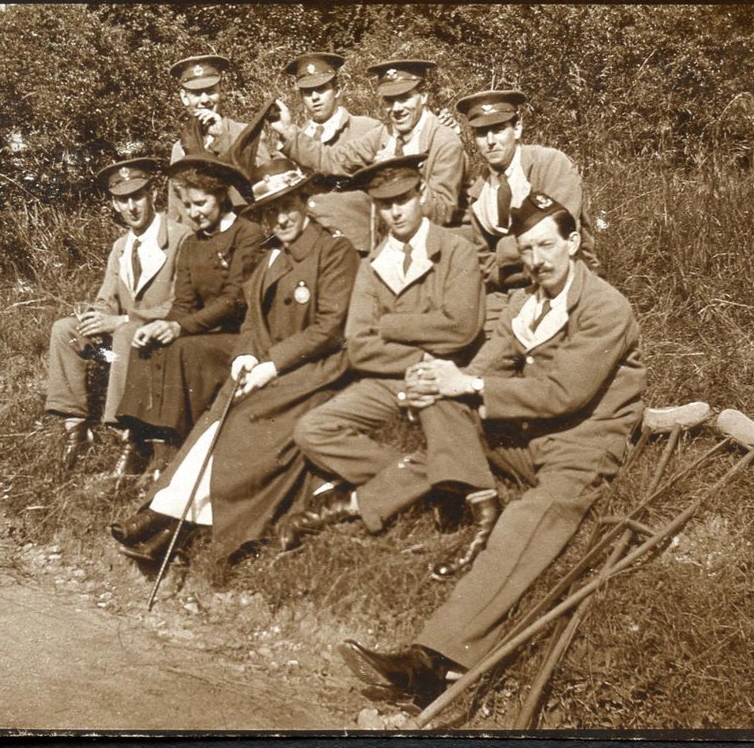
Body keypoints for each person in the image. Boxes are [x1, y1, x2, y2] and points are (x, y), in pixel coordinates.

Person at [337, 191, 645, 705]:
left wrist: (471, 386)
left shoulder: (605, 306)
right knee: (441, 398)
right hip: (527, 435)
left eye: (546, 245)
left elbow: (563, 393)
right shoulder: (526, 302)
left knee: (525, 524)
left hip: (583, 445)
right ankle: (470, 499)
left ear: (573, 242)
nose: (537, 260)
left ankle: (433, 660)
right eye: (527, 249)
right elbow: (485, 368)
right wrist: (438, 378)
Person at [108, 158, 360, 563]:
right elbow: (253, 321)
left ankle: (173, 526)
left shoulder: (333, 251)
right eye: (271, 212)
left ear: (304, 201)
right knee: (213, 426)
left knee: (241, 431)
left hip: (314, 373)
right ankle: (165, 523)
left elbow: (329, 329)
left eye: (287, 206)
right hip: (271, 369)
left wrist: (271, 364)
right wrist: (244, 354)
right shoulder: (273, 256)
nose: (281, 219)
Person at [274, 153, 499, 559]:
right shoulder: (373, 264)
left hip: (442, 375)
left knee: (437, 395)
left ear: (422, 193)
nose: (395, 212)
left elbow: (462, 328)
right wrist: (420, 349)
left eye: (403, 199)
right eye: (384, 204)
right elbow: (359, 345)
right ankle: (432, 478)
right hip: (388, 380)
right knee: (312, 430)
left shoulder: (456, 250)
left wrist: (391, 325)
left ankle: (382, 494)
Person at [112, 153, 266, 473]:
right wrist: (159, 326)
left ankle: (171, 450)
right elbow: (183, 304)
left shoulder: (246, 233)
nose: (194, 214)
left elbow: (235, 300)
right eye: (187, 206)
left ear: (220, 196)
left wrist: (180, 328)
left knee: (182, 348)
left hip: (241, 336)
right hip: (203, 332)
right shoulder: (192, 244)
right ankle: (139, 440)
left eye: (200, 204)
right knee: (147, 343)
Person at [43, 157, 191, 471]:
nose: (131, 207)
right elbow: (107, 299)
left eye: (137, 196)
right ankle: (76, 428)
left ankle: (129, 435)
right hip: (122, 349)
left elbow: (183, 302)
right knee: (65, 330)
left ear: (152, 194)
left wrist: (122, 320)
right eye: (123, 200)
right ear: (114, 204)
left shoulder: (180, 238)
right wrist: (94, 317)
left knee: (124, 332)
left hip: (162, 342)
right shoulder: (121, 247)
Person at [454, 89, 597, 329]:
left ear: (517, 128)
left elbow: (557, 234)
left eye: (499, 129)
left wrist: (503, 250)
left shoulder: (550, 164)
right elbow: (483, 259)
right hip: (510, 288)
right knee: (470, 331)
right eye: (481, 132)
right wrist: (510, 280)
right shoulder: (479, 191)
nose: (490, 141)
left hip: (564, 281)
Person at [269, 58, 466, 228]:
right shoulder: (383, 135)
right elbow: (333, 160)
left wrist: (401, 172)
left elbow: (442, 212)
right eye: (389, 100)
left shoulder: (444, 141)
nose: (397, 108)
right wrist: (289, 131)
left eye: (404, 98)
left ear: (423, 97)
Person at [281, 52, 381, 253]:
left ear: (337, 90)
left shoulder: (367, 129)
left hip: (356, 245)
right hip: (309, 248)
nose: (315, 98)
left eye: (321, 89)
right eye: (307, 92)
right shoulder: (292, 140)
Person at [166, 54, 267, 223]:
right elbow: (176, 207)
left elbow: (265, 187)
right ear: (184, 97)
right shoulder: (180, 148)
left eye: (211, 91)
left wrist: (222, 139)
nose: (205, 100)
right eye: (196, 93)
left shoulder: (248, 134)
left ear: (222, 91)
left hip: (246, 228)